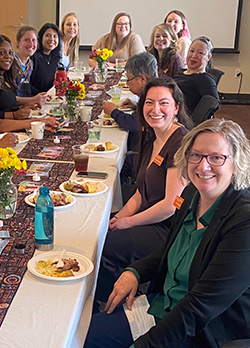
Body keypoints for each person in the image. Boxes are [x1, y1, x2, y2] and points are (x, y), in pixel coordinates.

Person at [86, 118, 250, 348]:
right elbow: (172, 247)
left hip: (201, 330)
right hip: (165, 305)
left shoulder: (243, 221)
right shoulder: (193, 194)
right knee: (85, 334)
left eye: (216, 158)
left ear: (237, 162)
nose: (203, 166)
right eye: (196, 155)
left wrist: (145, 345)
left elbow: (201, 306)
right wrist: (135, 271)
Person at [94, 77, 194, 303]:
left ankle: (113, 305)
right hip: (148, 218)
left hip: (168, 228)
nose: (155, 109)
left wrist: (128, 222)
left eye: (163, 103)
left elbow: (170, 205)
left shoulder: (179, 142)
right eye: (149, 103)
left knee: (104, 248)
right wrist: (118, 218)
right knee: (99, 230)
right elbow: (140, 193)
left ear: (176, 107)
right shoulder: (153, 136)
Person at [102, 52, 158, 183]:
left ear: (142, 79)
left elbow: (133, 124)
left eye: (129, 79)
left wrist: (113, 111)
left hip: (149, 153)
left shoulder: (154, 95)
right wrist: (136, 106)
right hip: (150, 145)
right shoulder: (154, 88)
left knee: (113, 163)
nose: (127, 84)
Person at [0, 34, 45, 119]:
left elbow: (6, 103)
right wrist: (14, 115)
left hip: (7, 123)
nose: (8, 57)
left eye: (10, 53)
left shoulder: (3, 75)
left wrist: (24, 107)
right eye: (2, 53)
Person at [174, 36, 219, 114]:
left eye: (200, 53)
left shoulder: (205, 79)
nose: (194, 56)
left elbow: (213, 104)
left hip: (183, 119)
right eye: (191, 51)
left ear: (208, 57)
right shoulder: (180, 72)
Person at [30, 23, 62, 93]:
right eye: (48, 36)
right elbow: (27, 83)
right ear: (41, 38)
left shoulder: (56, 58)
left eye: (55, 36)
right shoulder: (33, 57)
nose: (51, 39)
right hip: (35, 97)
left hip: (51, 97)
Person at [14, 26, 41, 98]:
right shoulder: (11, 62)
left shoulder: (30, 64)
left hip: (26, 103)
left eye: (33, 40)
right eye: (26, 40)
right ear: (18, 42)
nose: (31, 44)